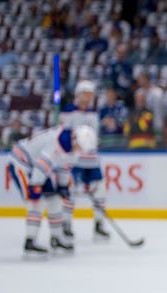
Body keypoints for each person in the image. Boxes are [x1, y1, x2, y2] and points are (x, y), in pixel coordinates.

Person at [8, 125, 97, 255]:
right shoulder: (55, 145)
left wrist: (62, 186)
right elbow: (41, 166)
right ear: (75, 139)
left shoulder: (70, 147)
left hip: (39, 167)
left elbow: (64, 167)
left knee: (55, 200)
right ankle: (30, 241)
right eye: (80, 146)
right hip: (22, 164)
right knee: (36, 203)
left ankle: (56, 238)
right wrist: (35, 186)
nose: (80, 150)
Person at [60, 80, 110, 241]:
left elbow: (94, 136)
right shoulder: (68, 112)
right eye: (87, 94)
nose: (89, 98)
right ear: (79, 94)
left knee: (100, 190)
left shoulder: (93, 113)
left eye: (91, 94)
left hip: (92, 159)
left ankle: (98, 224)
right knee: (71, 192)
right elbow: (64, 135)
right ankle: (66, 224)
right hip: (74, 159)